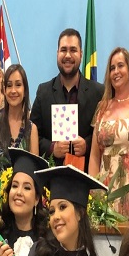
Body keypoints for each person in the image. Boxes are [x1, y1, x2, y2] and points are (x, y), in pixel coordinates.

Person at [88, 47, 129, 219]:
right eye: (112, 68)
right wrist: (94, 193)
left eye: (120, 66)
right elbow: (95, 156)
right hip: (104, 190)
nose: (116, 71)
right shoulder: (102, 107)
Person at [30, 28, 104, 170]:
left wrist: (87, 145)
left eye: (73, 50)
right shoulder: (43, 92)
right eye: (63, 50)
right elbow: (33, 135)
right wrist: (52, 148)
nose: (68, 55)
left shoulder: (98, 93)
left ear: (81, 54)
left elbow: (105, 135)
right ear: (57, 53)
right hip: (51, 180)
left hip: (86, 179)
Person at [0, 64, 39, 184]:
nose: (13, 90)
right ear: (4, 90)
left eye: (18, 85)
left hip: (21, 198)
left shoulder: (32, 129)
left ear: (25, 90)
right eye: (9, 85)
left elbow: (34, 172)